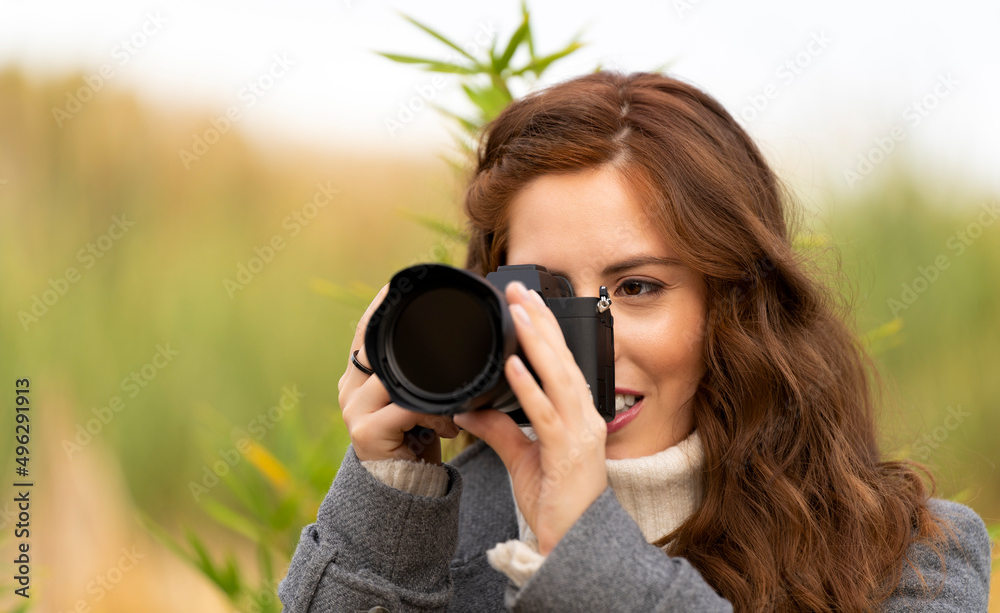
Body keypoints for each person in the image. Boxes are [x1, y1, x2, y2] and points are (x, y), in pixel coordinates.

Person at [278, 71, 992, 612]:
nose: (592, 343)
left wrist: (585, 548)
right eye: (547, 295)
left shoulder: (907, 557)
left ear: (734, 307)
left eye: (638, 287)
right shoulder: (434, 537)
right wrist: (390, 504)